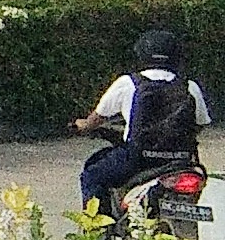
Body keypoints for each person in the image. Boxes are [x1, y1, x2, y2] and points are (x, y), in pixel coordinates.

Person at [75, 28, 210, 216]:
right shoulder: (190, 86)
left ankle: (97, 235)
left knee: (92, 175)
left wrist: (81, 125)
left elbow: (96, 119)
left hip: (136, 160)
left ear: (141, 53)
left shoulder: (128, 83)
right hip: (180, 162)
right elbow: (201, 123)